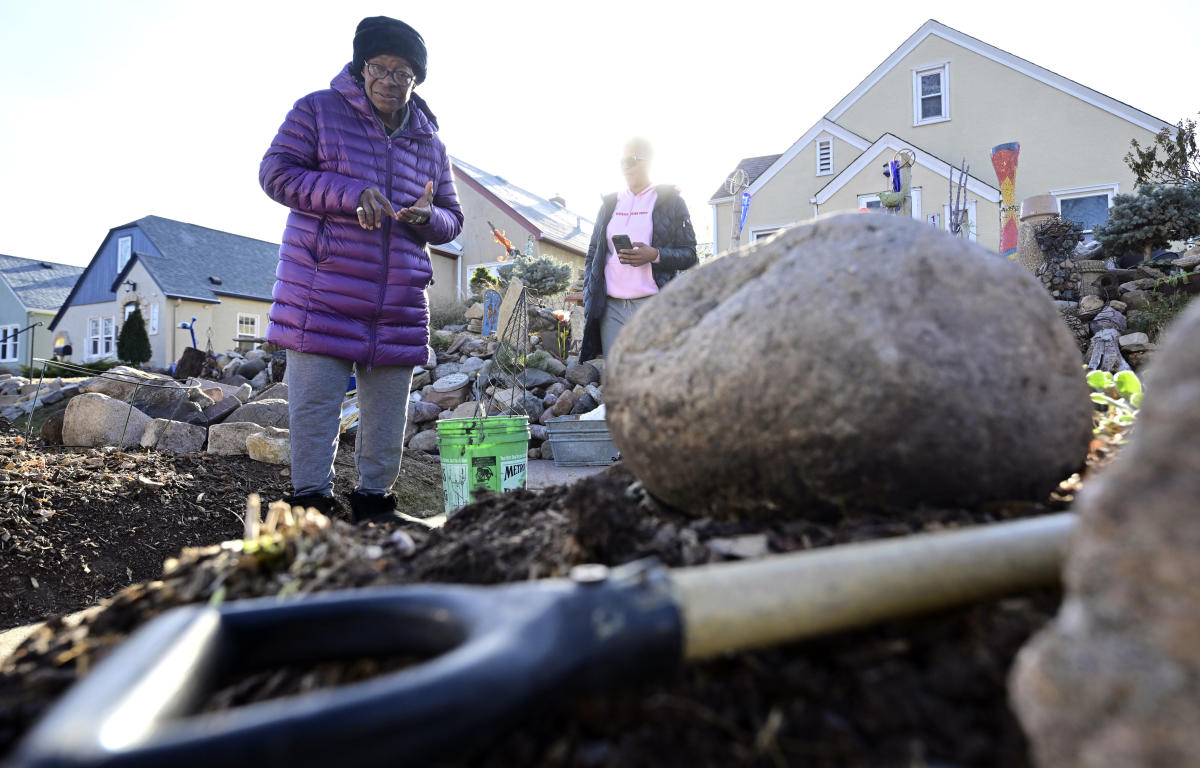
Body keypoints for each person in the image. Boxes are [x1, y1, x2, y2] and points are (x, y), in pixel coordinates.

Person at [259, 16, 463, 523]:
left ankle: (375, 508)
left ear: (416, 81)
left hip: (396, 299)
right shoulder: (318, 111)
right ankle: (310, 510)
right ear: (360, 66)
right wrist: (350, 195)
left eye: (404, 74)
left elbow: (453, 219)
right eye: (381, 68)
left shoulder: (431, 144)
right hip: (321, 292)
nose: (391, 82)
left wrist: (427, 218)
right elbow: (276, 173)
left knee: (388, 416)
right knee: (314, 413)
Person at [580, 139, 697, 363]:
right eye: (622, 161)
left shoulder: (671, 202)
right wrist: (589, 291)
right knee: (616, 378)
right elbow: (593, 252)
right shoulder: (610, 205)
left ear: (650, 162)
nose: (626, 166)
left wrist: (654, 255)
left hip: (652, 306)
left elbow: (690, 254)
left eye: (632, 160)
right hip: (611, 308)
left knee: (654, 376)